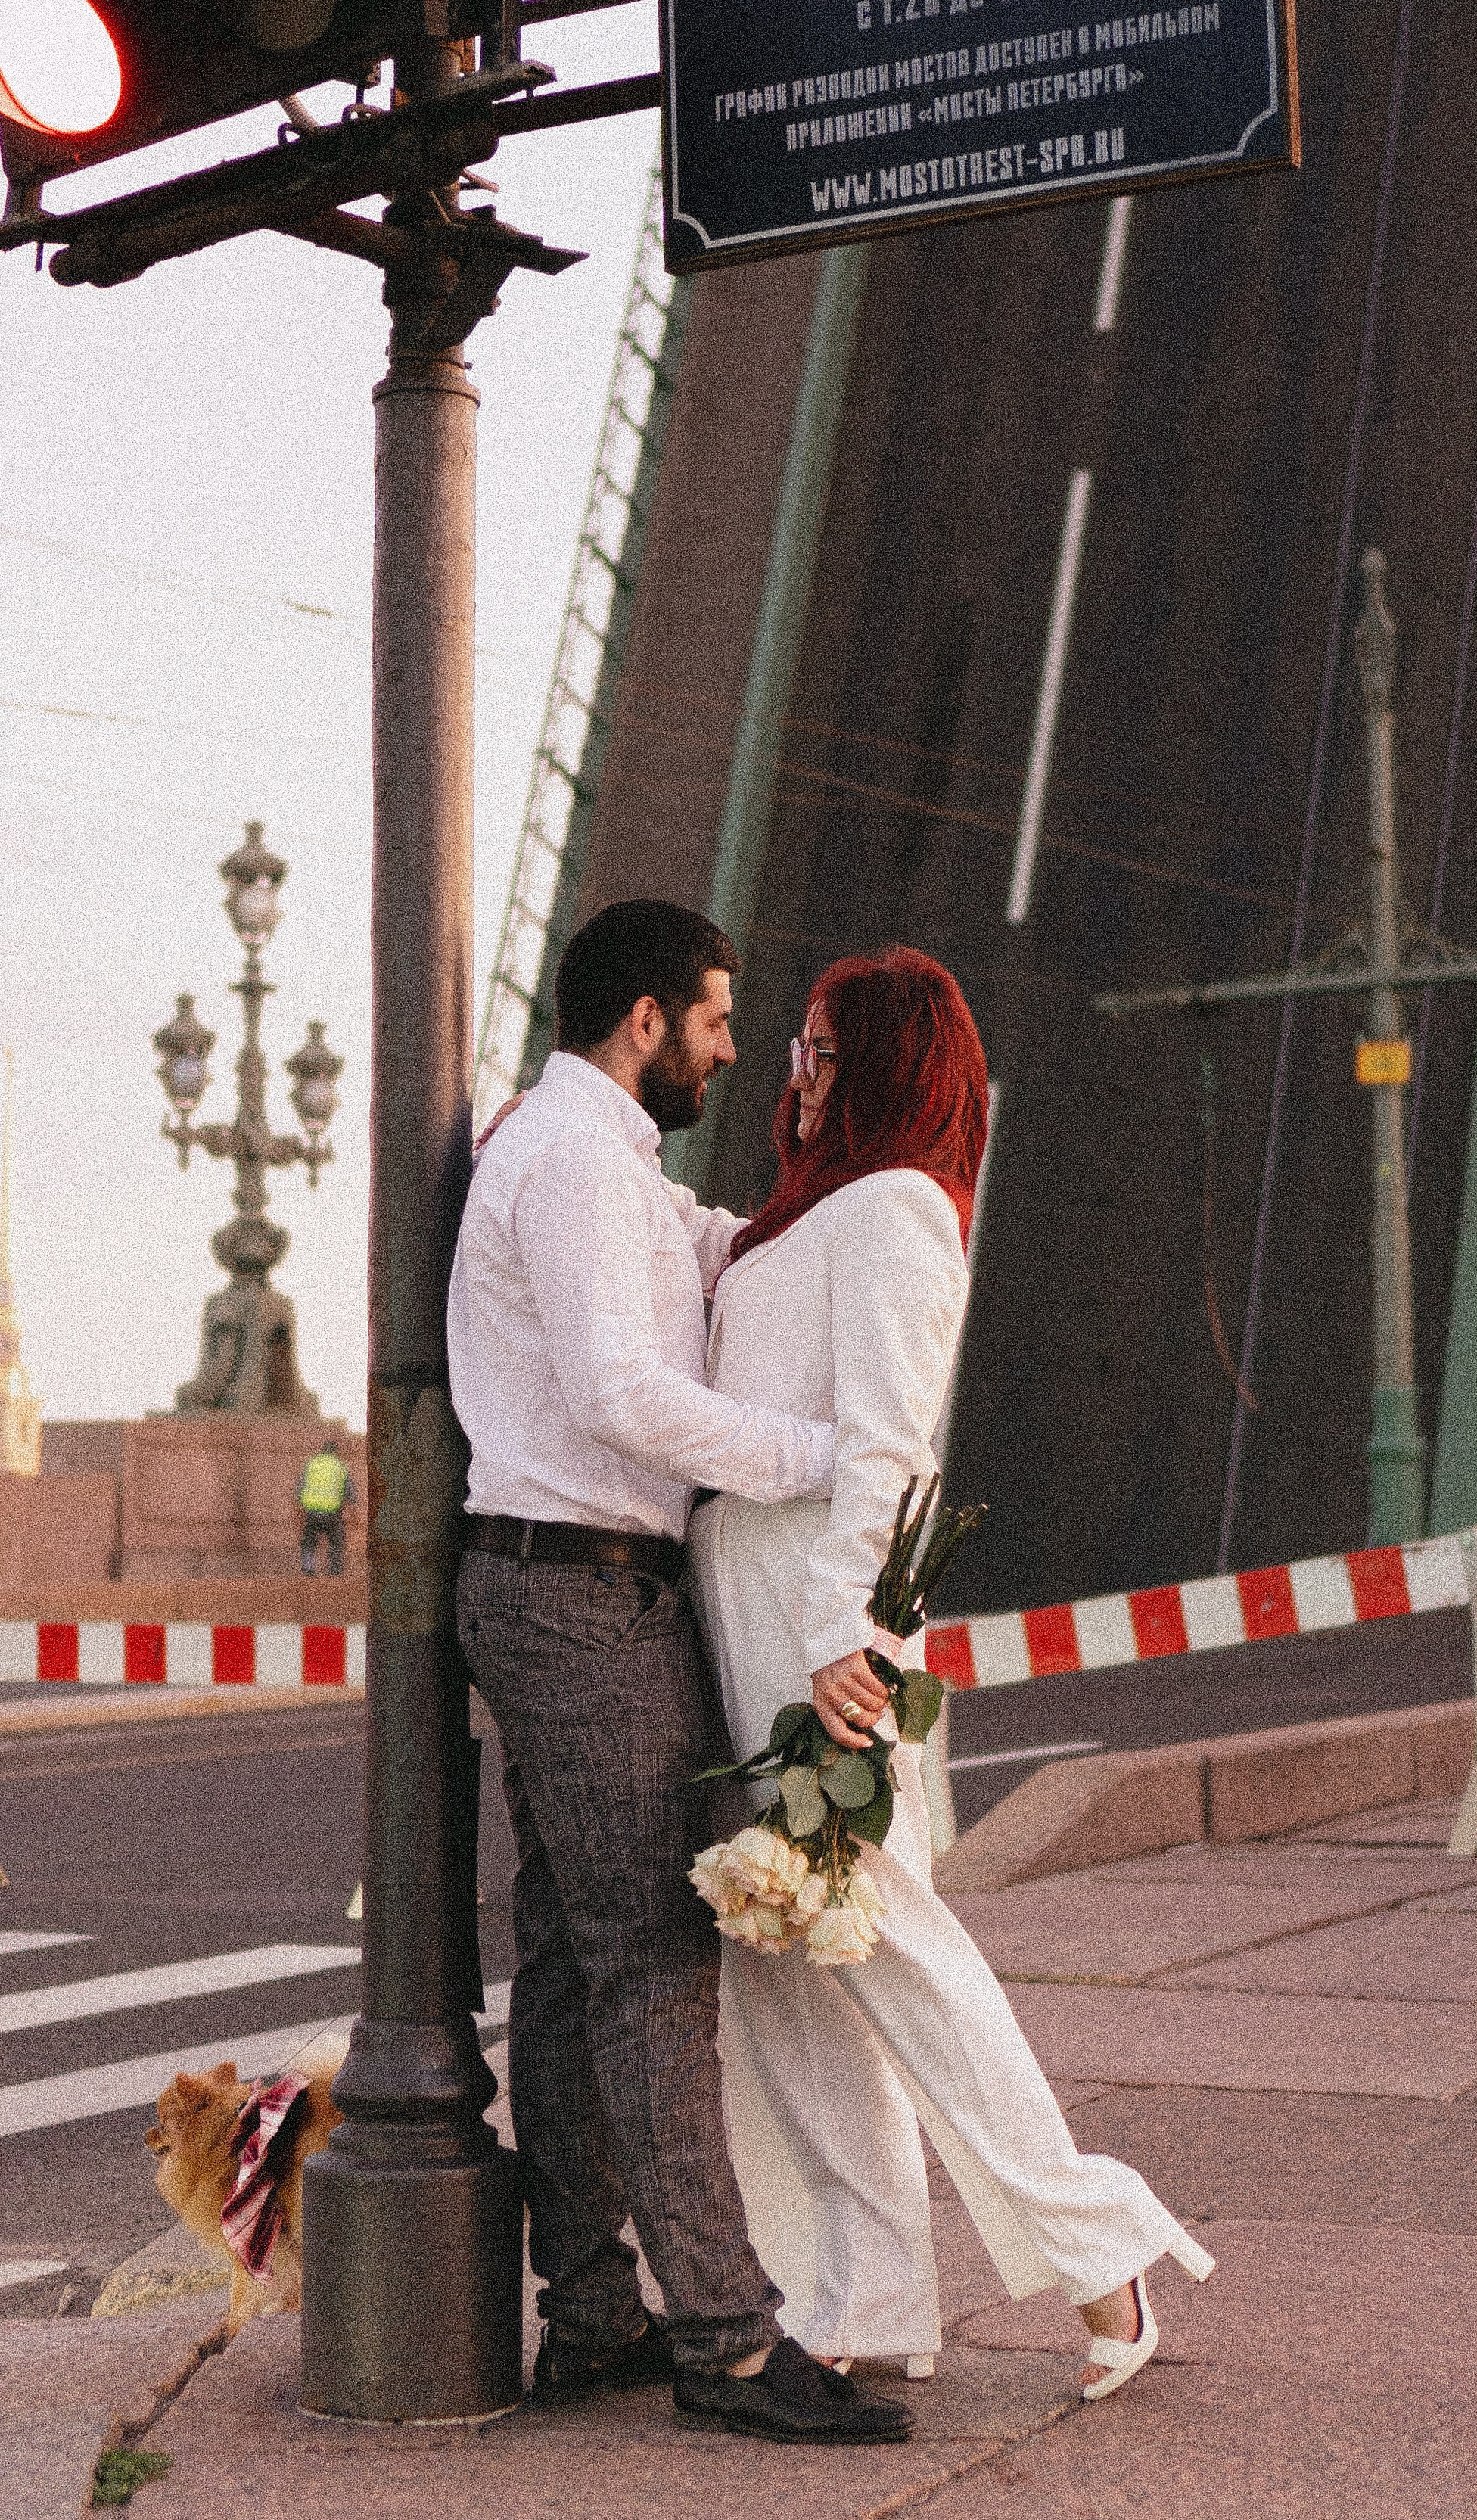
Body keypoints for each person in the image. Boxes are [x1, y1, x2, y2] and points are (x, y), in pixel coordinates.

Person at [690, 947, 1214, 2399]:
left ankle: (1098, 2241)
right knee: (791, 1957)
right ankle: (865, 2297)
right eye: (796, 1047)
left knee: (888, 1940)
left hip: (819, 1615)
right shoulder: (806, 1214)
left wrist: (846, 1630)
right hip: (754, 1602)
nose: (797, 1072)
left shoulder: (896, 1209)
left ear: (887, 1061)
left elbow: (892, 1444)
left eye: (822, 1048)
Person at [447, 898, 913, 2446]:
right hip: (579, 1594)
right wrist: (825, 1456)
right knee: (654, 1958)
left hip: (560, 1586)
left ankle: (594, 2316)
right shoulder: (577, 1162)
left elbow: (722, 1256)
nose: (728, 1048)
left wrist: (818, 1193)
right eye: (714, 1020)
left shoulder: (607, 1163)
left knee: (577, 1961)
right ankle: (726, 2339)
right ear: (644, 1019)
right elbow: (620, 1395)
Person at [297, 1442, 352, 1577]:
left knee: (309, 1538)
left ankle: (308, 1565)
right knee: (336, 1539)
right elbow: (349, 1490)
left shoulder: (312, 1464)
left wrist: (298, 1509)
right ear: (335, 1451)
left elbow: (300, 1486)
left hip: (312, 1510)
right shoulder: (340, 1466)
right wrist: (353, 1509)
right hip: (332, 1511)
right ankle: (335, 1567)